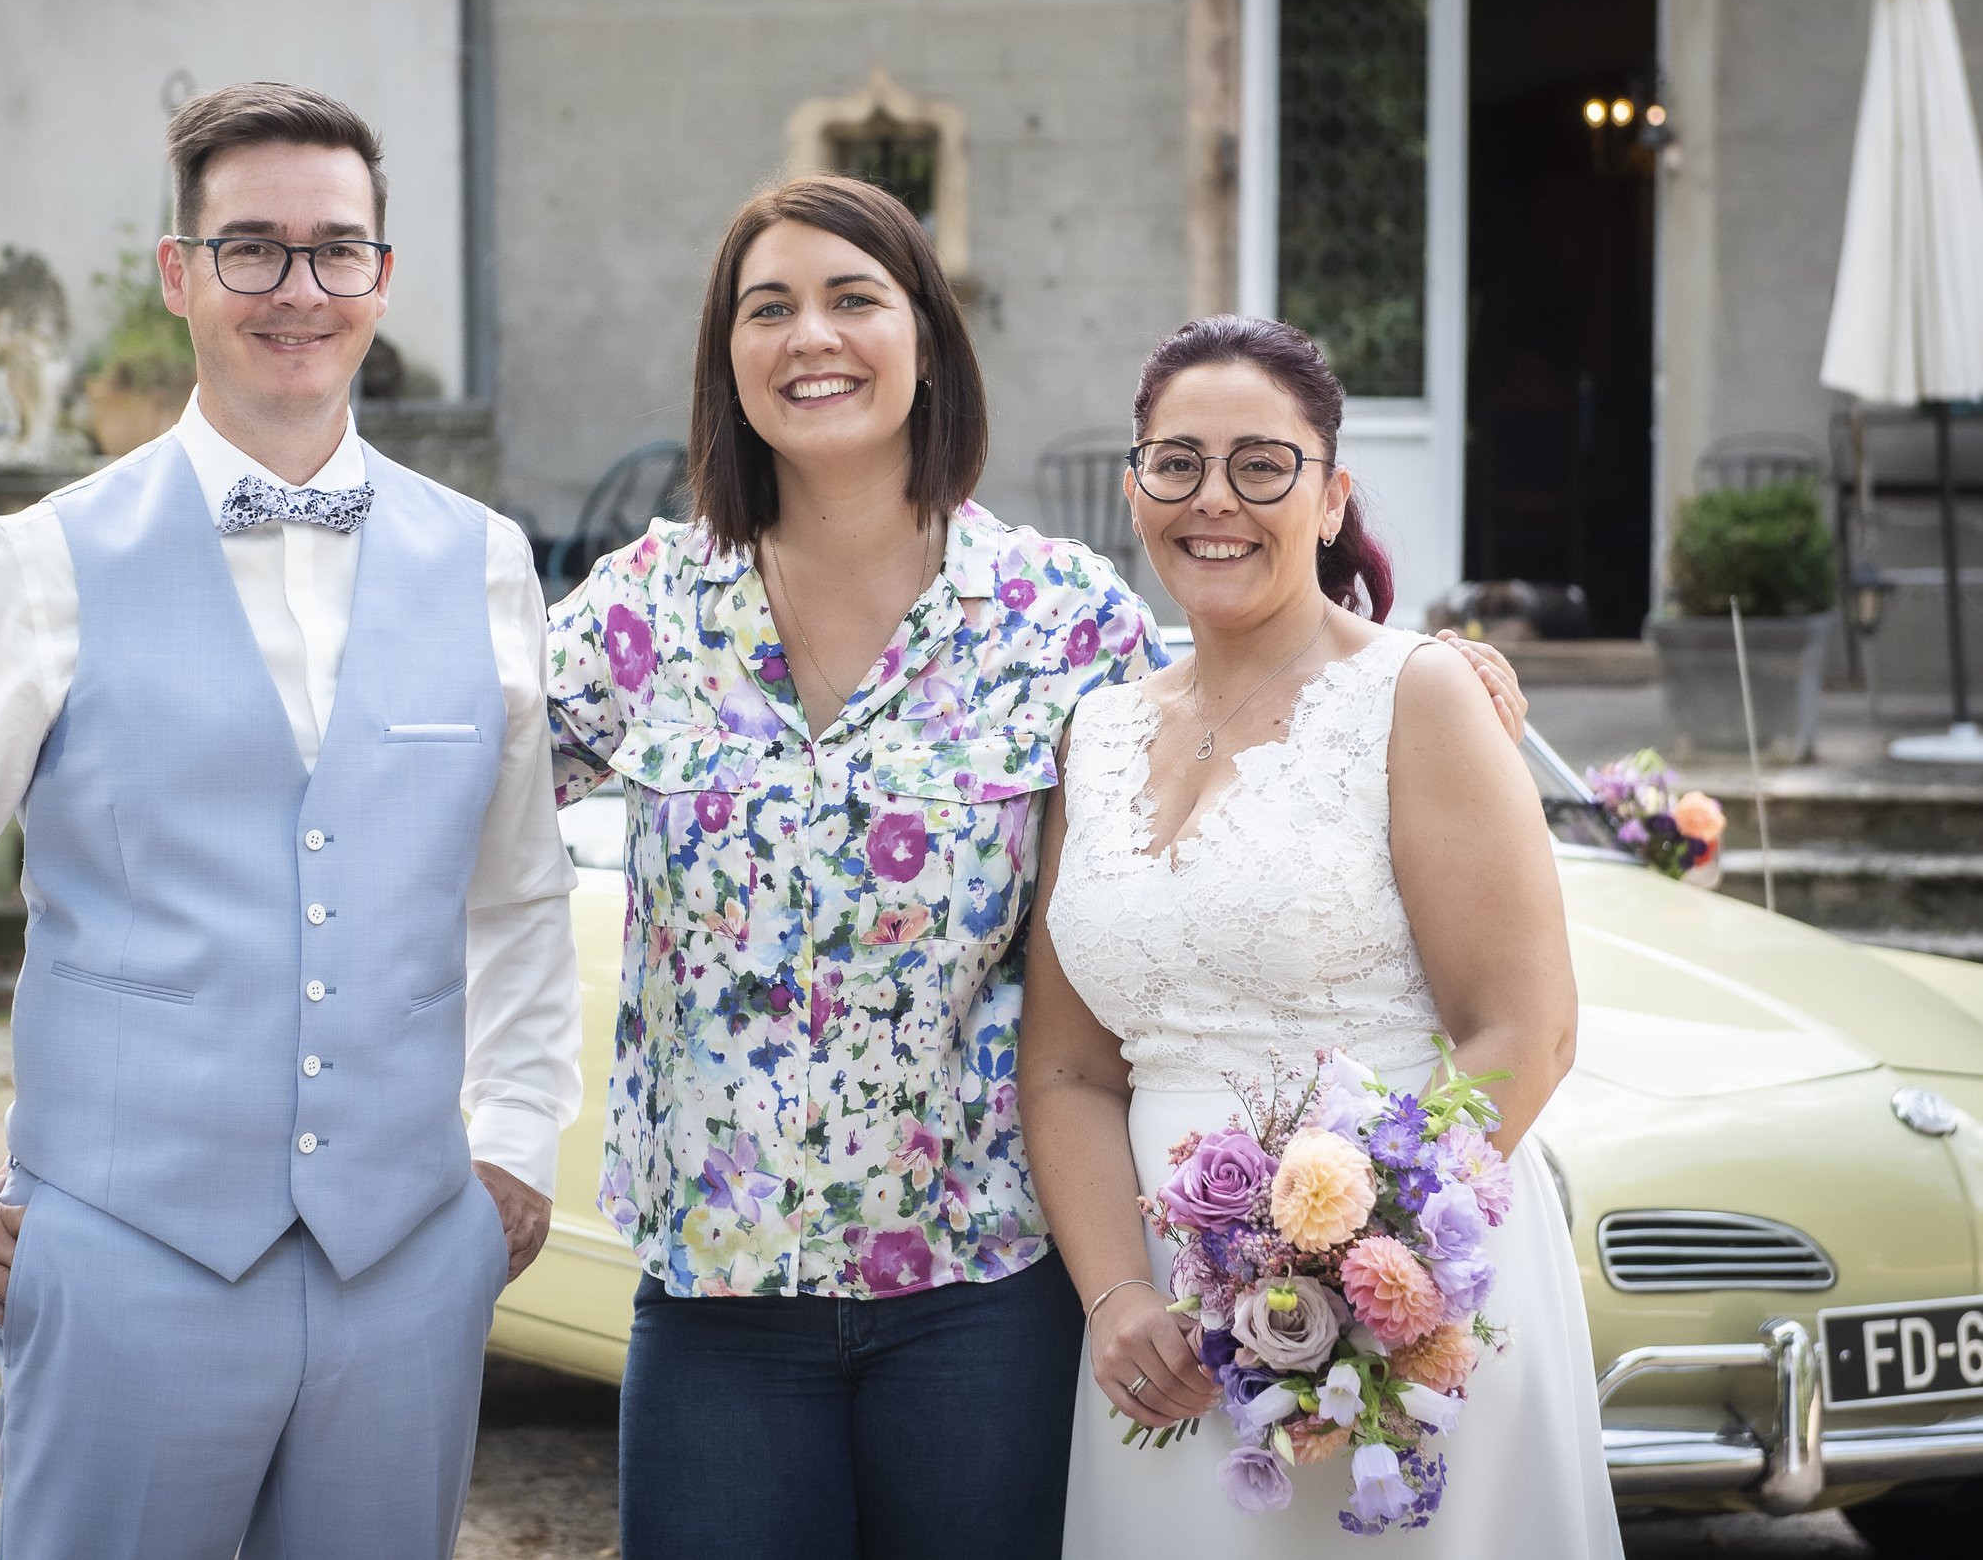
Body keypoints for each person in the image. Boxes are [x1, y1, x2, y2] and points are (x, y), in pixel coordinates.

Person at [544, 182, 1526, 1559]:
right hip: (717, 1297)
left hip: (987, 1298)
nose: (809, 335)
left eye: (852, 299)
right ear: (727, 359)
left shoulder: (1058, 619)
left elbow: (1257, 708)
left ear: (929, 343)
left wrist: (1427, 667)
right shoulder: (642, 609)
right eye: (768, 308)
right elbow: (452, 801)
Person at [0, 81, 581, 1560]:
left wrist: (520, 1139)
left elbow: (520, 892)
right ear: (181, 274)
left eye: (336, 249)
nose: (299, 288)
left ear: (382, 277)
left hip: (405, 1268)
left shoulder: (482, 562)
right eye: (253, 248)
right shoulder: (34, 565)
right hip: (126, 1260)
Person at [1021, 315, 1620, 1556]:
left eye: (1261, 463)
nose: (1214, 500)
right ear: (1135, 487)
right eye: (1175, 462)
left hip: (1402, 1298)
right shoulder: (1096, 733)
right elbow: (1070, 1066)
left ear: (1333, 494)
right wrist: (1117, 1294)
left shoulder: (1417, 696)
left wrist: (1349, 1276)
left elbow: (1527, 1025)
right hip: (1166, 1326)